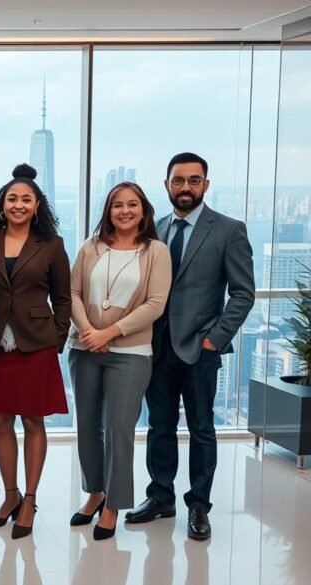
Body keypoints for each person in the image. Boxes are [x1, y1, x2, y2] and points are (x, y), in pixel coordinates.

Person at [126, 153, 255, 541]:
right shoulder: (156, 230)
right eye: (178, 180)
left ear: (205, 185)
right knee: (159, 426)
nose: (185, 187)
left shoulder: (229, 230)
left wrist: (215, 338)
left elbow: (243, 293)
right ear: (166, 185)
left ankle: (199, 505)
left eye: (194, 180)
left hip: (201, 349)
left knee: (201, 428)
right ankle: (160, 497)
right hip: (156, 347)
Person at [67, 182, 171, 540]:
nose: (124, 211)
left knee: (119, 430)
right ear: (108, 211)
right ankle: (95, 492)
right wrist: (88, 331)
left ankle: (113, 504)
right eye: (117, 205)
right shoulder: (91, 246)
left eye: (132, 204)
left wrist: (108, 334)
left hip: (130, 353)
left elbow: (155, 304)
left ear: (143, 211)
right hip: (84, 348)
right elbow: (73, 292)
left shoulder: (156, 251)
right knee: (87, 426)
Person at [0, 164, 71, 539]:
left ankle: (30, 499)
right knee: (0, 420)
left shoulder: (52, 245)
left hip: (36, 345)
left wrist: (56, 340)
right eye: (12, 198)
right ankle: (10, 496)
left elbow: (62, 299)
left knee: (33, 421)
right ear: (2, 204)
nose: (18, 204)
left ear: (36, 205)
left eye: (25, 199)